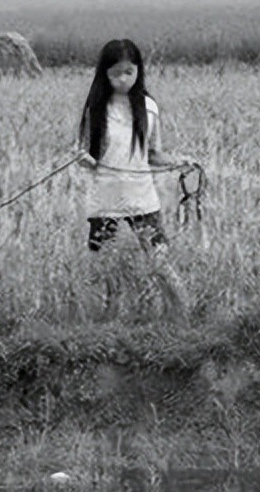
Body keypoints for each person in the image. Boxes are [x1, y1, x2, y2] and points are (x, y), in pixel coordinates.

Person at [75, 39, 198, 306]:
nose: (123, 79)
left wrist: (179, 162)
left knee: (160, 261)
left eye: (129, 72)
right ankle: (107, 324)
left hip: (141, 196)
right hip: (104, 198)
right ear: (104, 74)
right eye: (115, 73)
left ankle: (182, 315)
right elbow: (87, 156)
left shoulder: (149, 108)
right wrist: (82, 159)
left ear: (138, 71)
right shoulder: (95, 110)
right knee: (105, 269)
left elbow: (153, 154)